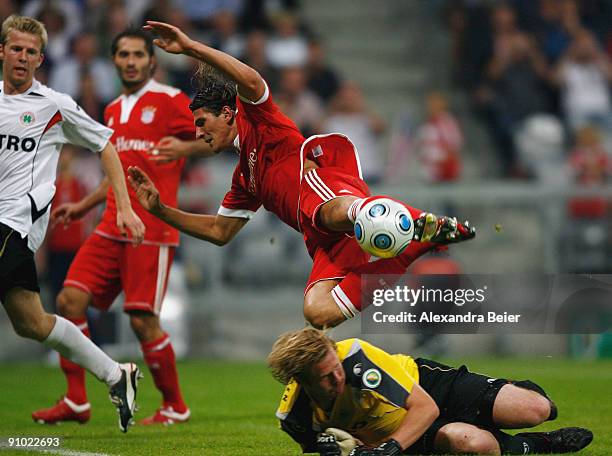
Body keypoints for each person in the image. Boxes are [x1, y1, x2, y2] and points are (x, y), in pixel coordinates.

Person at [127, 21, 476, 331]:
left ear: (229, 114)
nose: (198, 132)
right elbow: (220, 232)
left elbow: (250, 80)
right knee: (318, 312)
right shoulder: (244, 179)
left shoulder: (258, 121)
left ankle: (405, 219)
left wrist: (191, 48)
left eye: (202, 122)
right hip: (321, 239)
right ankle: (411, 246)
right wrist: (161, 211)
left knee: (327, 210)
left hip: (327, 190)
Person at [31, 29, 207, 426]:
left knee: (143, 321)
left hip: (152, 228)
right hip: (110, 224)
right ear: (114, 60)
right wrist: (82, 205)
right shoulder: (111, 109)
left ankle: (175, 406)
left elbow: (216, 139)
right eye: (123, 54)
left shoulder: (171, 100)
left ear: (151, 61)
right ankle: (76, 399)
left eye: (137, 55)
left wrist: (185, 147)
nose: (130, 61)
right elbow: (117, 173)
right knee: (67, 302)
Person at [0, 15, 144, 432]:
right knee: (32, 323)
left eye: (31, 51)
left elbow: (106, 145)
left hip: (14, 223)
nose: (23, 57)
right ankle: (116, 374)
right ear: (2, 51)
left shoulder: (54, 105)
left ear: (41, 58)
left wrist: (124, 206)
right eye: (16, 49)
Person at [268, 328, 594, 455]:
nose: (336, 379)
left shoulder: (356, 361)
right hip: (402, 431)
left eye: (335, 367)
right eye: (325, 378)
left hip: (426, 387)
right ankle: (538, 445)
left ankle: (504, 391)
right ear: (299, 381)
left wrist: (385, 450)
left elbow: (425, 408)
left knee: (538, 409)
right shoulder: (294, 415)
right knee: (472, 443)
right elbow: (327, 449)